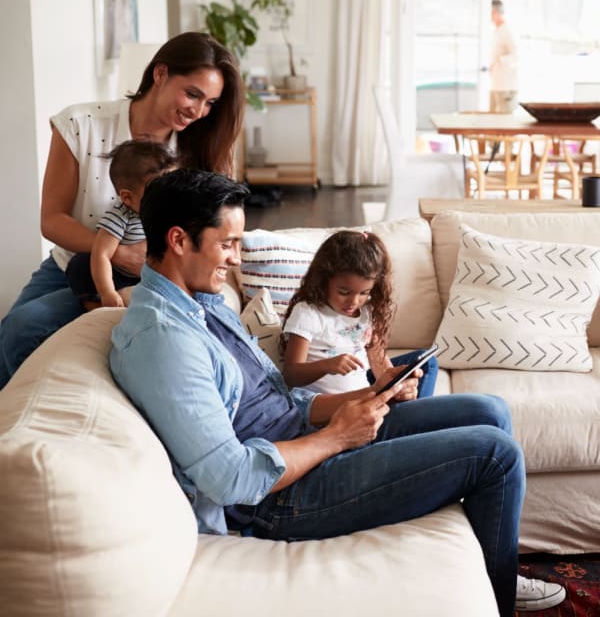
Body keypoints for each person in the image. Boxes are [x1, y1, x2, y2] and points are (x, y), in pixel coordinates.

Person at [109, 169, 565, 617]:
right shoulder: (164, 340)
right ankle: (501, 592)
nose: (234, 259)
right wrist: (337, 437)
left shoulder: (201, 305)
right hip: (276, 497)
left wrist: (356, 402)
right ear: (178, 240)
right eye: (226, 244)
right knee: (494, 454)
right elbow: (231, 480)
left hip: (306, 441)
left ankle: (492, 563)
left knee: (487, 410)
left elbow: (280, 400)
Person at [0, 32, 244, 388]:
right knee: (15, 330)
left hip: (155, 275)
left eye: (210, 103)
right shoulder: (80, 124)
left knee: (26, 328)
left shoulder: (197, 148)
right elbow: (52, 220)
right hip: (76, 262)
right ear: (160, 74)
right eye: (192, 93)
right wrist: (116, 253)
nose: (199, 111)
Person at [281, 230, 438, 396]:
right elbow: (291, 375)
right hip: (336, 406)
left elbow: (378, 360)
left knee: (426, 362)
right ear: (324, 280)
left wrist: (395, 387)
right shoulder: (308, 313)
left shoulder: (365, 311)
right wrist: (327, 365)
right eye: (344, 292)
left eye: (364, 293)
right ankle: (413, 415)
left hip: (366, 395)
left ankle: (411, 410)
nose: (354, 302)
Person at [65, 139, 178, 309]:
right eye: (158, 192)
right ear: (127, 198)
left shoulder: (172, 212)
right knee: (81, 264)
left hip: (156, 276)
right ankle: (96, 306)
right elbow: (101, 254)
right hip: (121, 277)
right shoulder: (121, 217)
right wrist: (107, 291)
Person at [488, 0, 519, 113]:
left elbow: (516, 56)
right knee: (492, 122)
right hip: (496, 84)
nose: (491, 16)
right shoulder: (497, 31)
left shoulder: (508, 31)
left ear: (497, 12)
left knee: (504, 123)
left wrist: (500, 62)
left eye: (492, 13)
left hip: (506, 86)